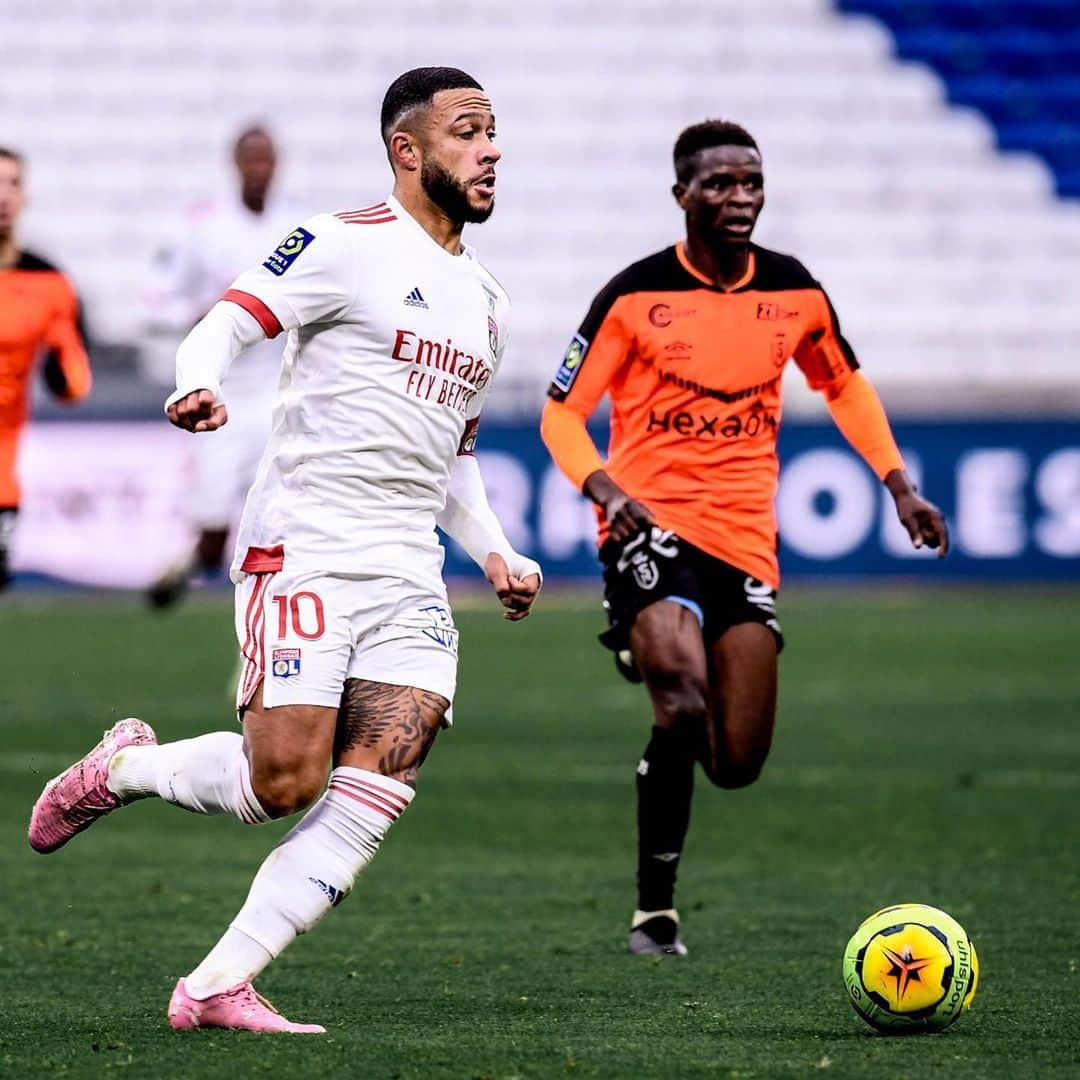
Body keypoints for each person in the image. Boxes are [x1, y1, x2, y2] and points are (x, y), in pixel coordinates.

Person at [29, 67, 541, 1033]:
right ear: (408, 150)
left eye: (494, 132)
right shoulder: (344, 244)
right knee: (284, 783)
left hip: (407, 571)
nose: (490, 150)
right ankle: (123, 769)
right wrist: (197, 382)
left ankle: (216, 985)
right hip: (304, 544)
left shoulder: (487, 300)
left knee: (381, 775)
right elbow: (224, 322)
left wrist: (495, 552)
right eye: (468, 132)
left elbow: (455, 457)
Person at [540, 120, 948, 957]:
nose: (739, 199)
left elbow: (845, 386)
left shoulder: (794, 292)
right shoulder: (632, 295)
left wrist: (900, 486)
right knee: (680, 699)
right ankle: (656, 913)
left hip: (744, 538)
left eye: (751, 183)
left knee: (734, 761)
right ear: (682, 194)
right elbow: (562, 413)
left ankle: (647, 649)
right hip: (646, 523)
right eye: (720, 184)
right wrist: (606, 487)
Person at [144, 126, 301, 607]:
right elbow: (156, 303)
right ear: (236, 164)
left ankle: (265, 646)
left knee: (280, 531)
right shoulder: (205, 228)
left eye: (267, 160)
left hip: (281, 399)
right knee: (214, 534)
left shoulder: (297, 230)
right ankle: (189, 563)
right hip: (223, 399)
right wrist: (205, 315)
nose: (259, 169)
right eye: (251, 160)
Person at [0, 147, 91, 590]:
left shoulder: (49, 283)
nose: (2, 196)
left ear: (25, 196)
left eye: (12, 183)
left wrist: (65, 372)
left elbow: (73, 382)